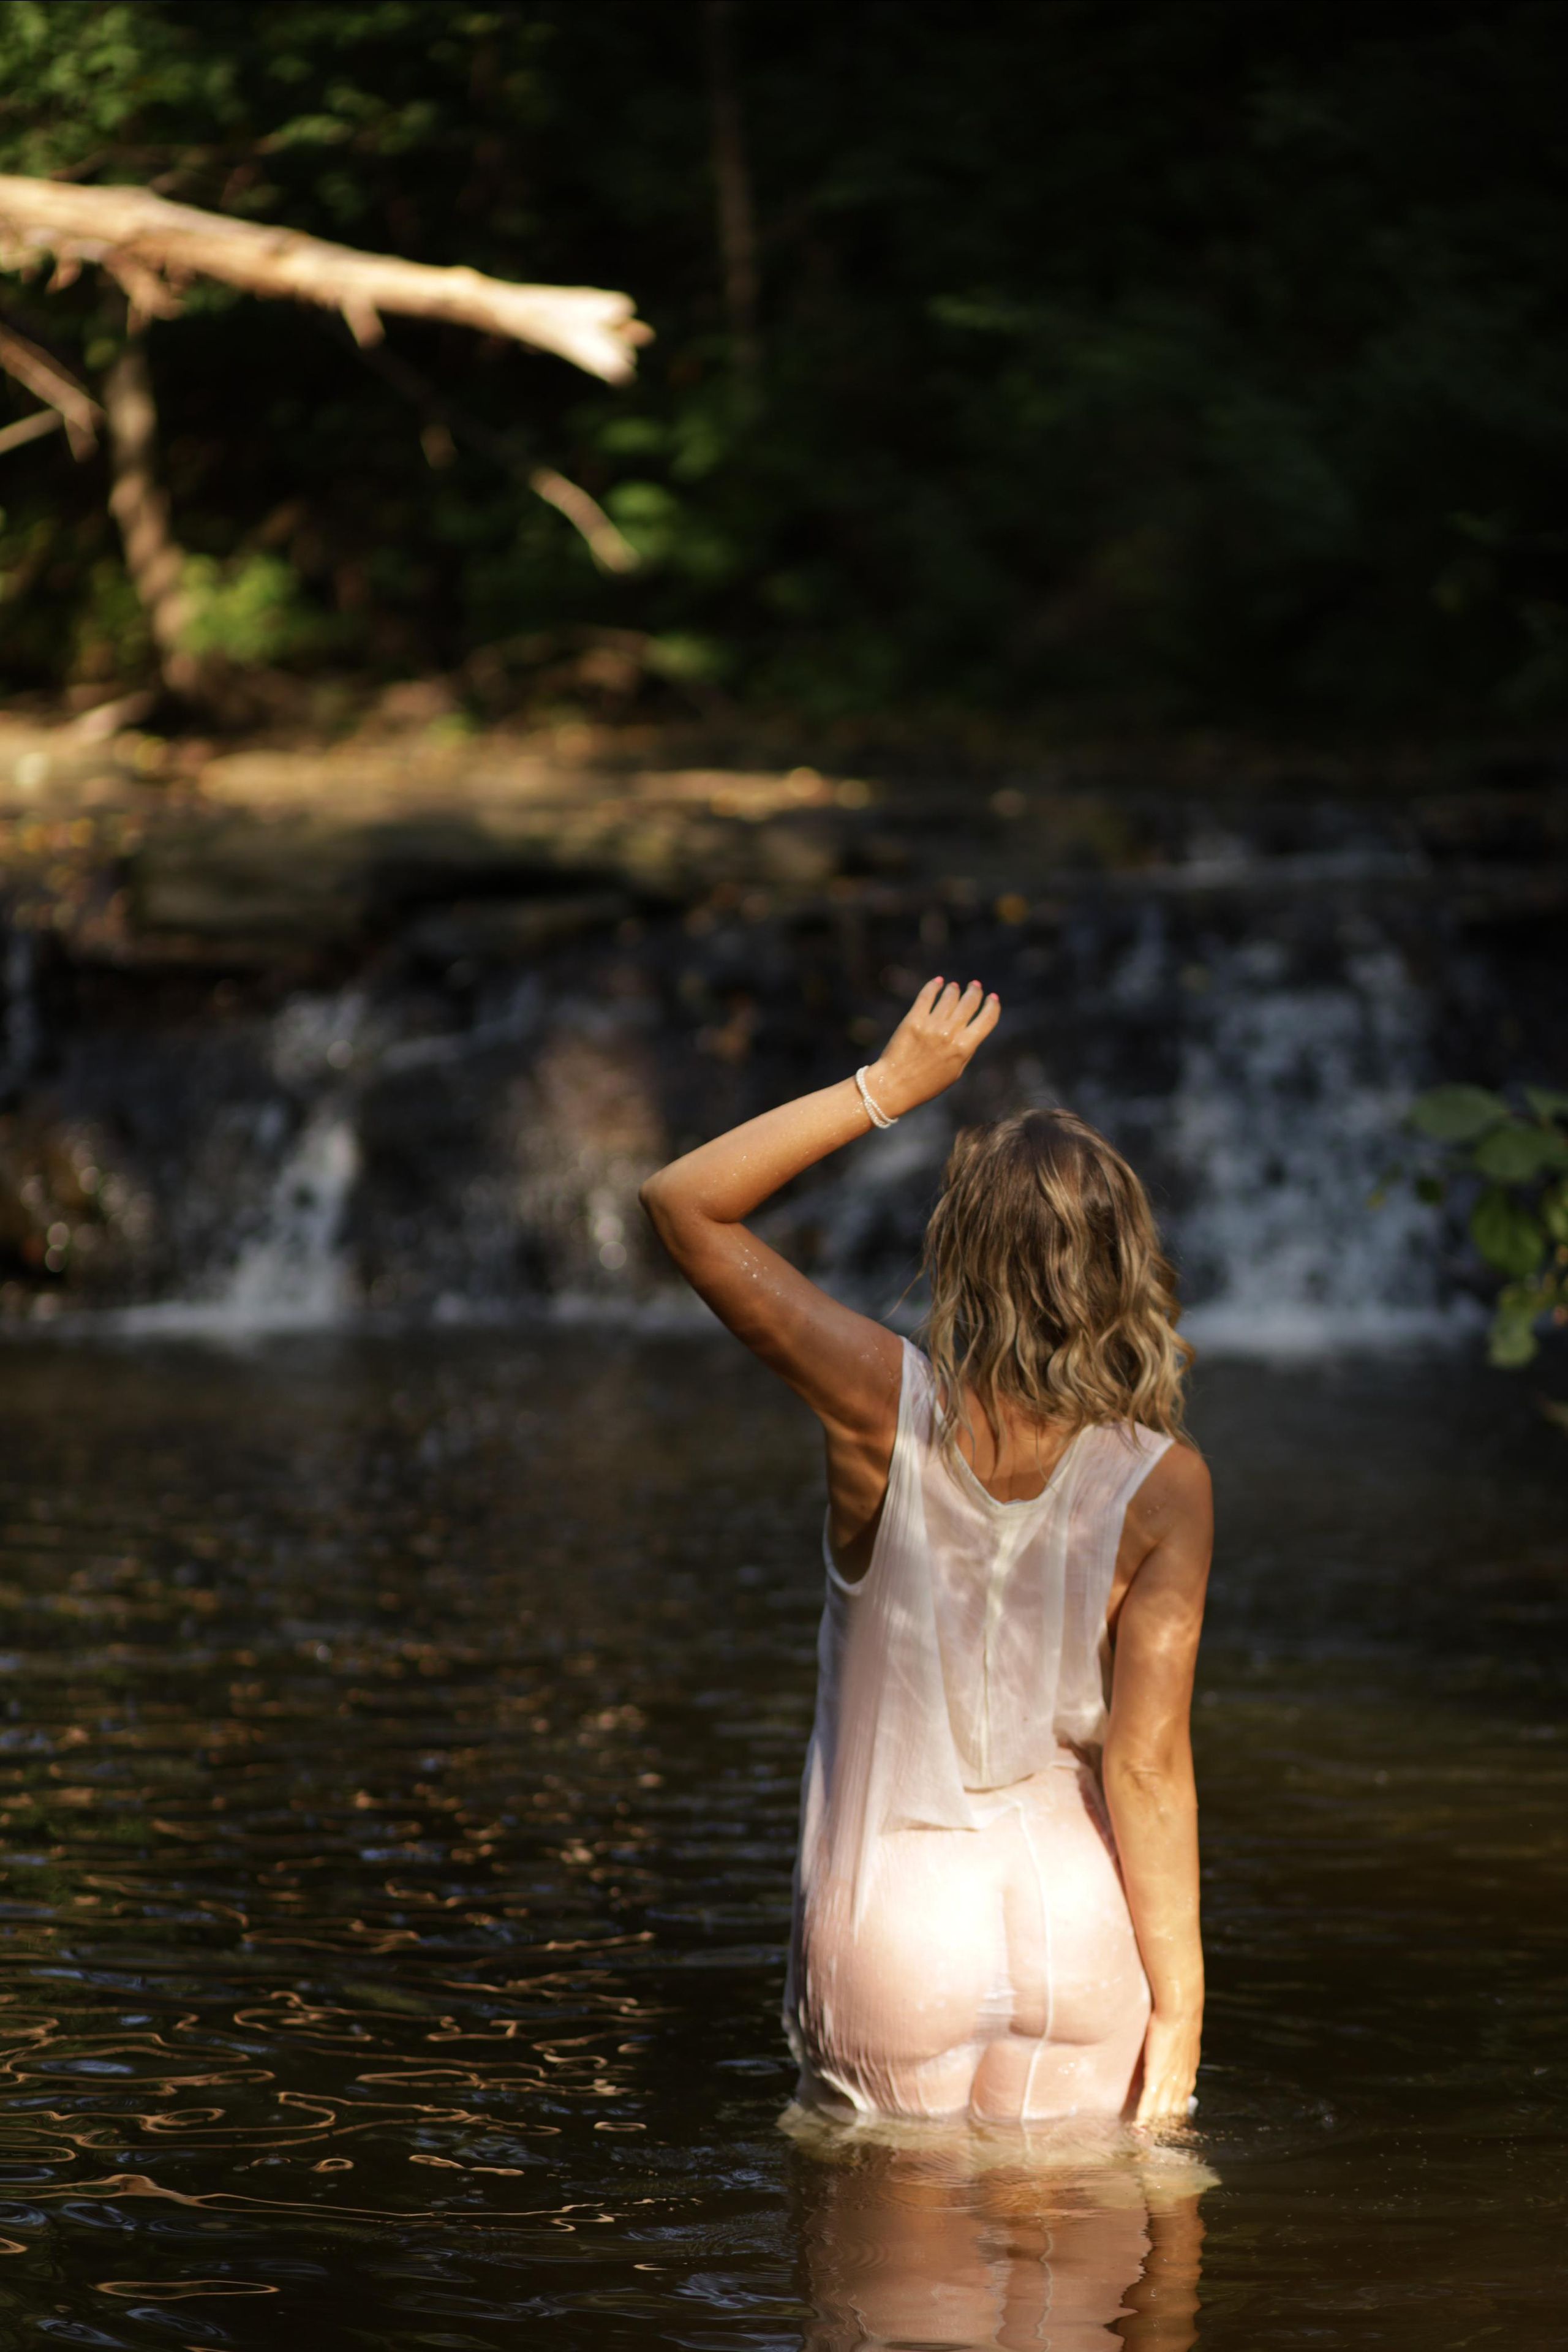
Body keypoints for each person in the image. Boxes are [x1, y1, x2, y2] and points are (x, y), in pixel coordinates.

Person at [639, 978, 1212, 2125]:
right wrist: (1182, 2009)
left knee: (896, 2301)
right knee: (1097, 2278)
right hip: (1081, 1932)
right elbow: (1146, 1772)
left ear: (960, 1252)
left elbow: (684, 1203)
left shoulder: (881, 1405)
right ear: (1121, 1272)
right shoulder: (1167, 1485)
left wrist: (886, 1089)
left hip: (896, 1929)